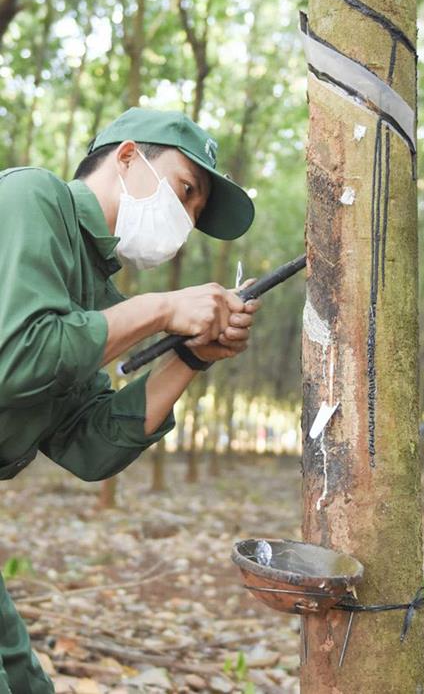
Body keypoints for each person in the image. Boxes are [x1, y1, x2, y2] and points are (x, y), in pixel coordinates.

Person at [0, 107, 260, 693]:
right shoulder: (31, 198)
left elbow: (88, 447)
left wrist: (190, 359)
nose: (187, 218)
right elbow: (17, 363)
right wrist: (162, 309)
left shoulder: (98, 294)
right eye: (185, 190)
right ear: (126, 156)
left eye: (196, 212)